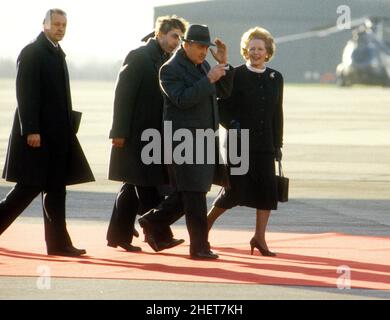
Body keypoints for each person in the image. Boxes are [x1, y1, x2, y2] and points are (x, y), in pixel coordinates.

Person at [0, 9, 95, 257]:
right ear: (44, 24)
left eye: (64, 25)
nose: (60, 28)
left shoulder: (55, 52)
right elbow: (26, 94)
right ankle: (58, 243)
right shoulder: (33, 52)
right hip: (38, 137)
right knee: (28, 188)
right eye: (56, 24)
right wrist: (31, 129)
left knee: (55, 190)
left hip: (57, 136)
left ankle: (58, 244)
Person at [139, 24, 234, 259]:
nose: (204, 51)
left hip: (203, 140)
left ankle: (152, 221)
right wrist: (209, 78)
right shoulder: (169, 69)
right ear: (187, 44)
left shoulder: (202, 66)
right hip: (183, 141)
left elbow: (225, 92)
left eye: (206, 47)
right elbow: (181, 99)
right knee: (194, 195)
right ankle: (200, 247)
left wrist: (223, 64)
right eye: (200, 46)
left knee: (189, 193)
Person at [107, 16, 189, 252]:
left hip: (154, 135)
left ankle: (118, 235)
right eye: (174, 36)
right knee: (146, 184)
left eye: (180, 38)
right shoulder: (139, 56)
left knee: (132, 184)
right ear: (159, 33)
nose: (177, 42)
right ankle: (159, 234)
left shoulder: (167, 60)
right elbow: (122, 96)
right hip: (135, 135)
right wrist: (119, 132)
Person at [207, 27, 284, 257]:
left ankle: (259, 238)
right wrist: (234, 125)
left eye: (260, 49)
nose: (256, 53)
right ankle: (205, 224)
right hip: (238, 144)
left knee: (267, 192)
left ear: (268, 51)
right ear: (245, 51)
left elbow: (277, 113)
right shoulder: (236, 74)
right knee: (235, 191)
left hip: (265, 144)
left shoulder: (275, 77)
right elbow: (220, 107)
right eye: (252, 49)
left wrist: (278, 144)